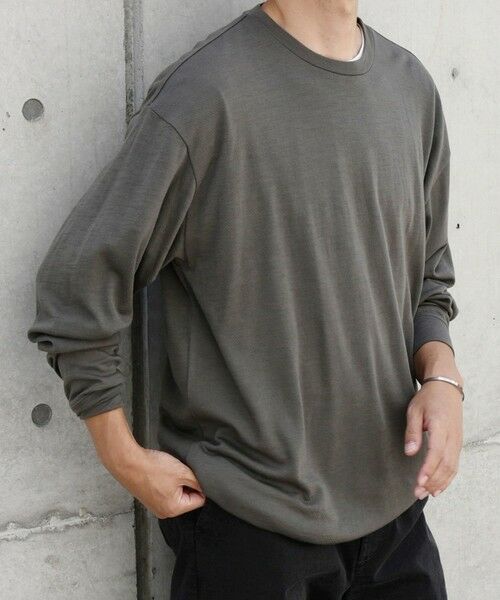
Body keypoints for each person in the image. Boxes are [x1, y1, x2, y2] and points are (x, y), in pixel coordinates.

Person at [27, 1, 464, 598]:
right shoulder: (207, 95)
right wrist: (121, 455)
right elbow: (77, 283)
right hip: (254, 536)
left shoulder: (410, 89)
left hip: (397, 521)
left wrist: (441, 375)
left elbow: (427, 277)